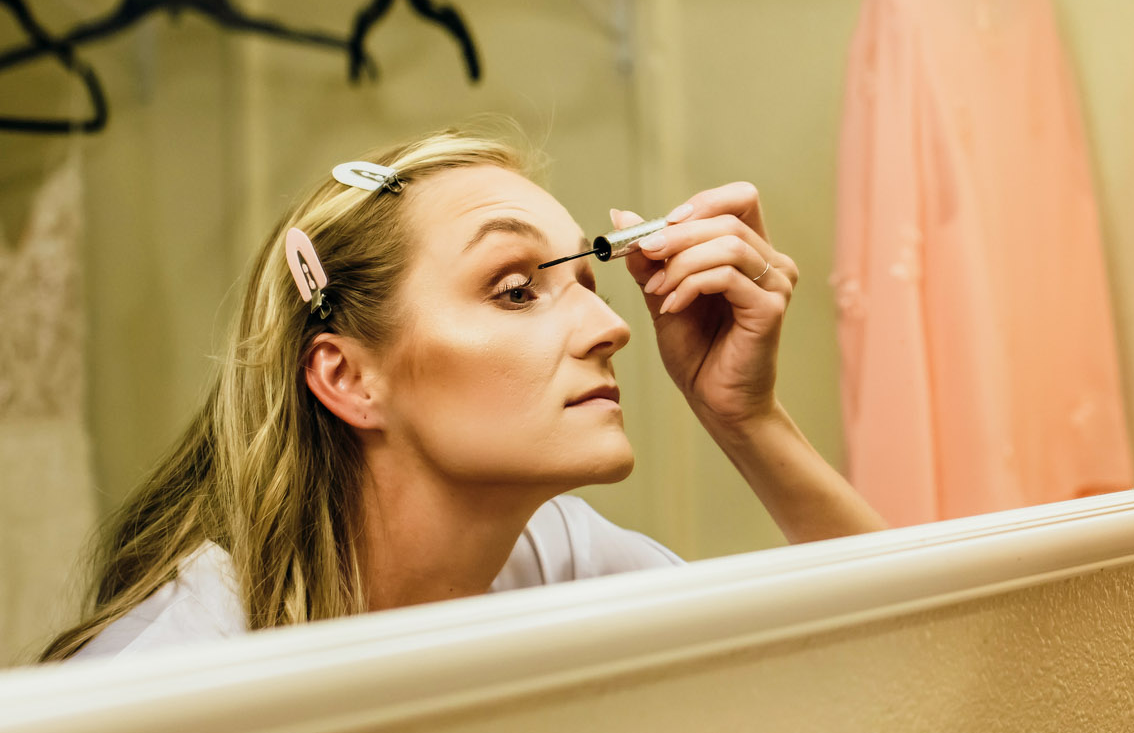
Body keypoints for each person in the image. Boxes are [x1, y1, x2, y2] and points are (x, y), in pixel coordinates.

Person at [44, 128, 883, 661]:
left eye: (590, 284)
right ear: (347, 377)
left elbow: (913, 687)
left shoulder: (558, 557)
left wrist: (748, 420)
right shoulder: (175, 663)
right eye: (516, 289)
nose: (610, 328)